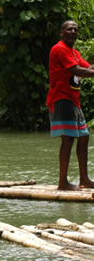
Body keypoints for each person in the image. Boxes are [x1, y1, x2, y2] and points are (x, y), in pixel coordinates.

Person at [47, 20, 94, 190]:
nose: (73, 31)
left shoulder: (73, 52)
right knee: (68, 139)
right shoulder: (59, 49)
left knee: (84, 136)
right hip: (61, 99)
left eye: (75, 29)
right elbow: (77, 71)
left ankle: (84, 179)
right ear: (62, 33)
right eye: (69, 29)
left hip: (73, 100)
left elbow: (87, 67)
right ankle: (63, 183)